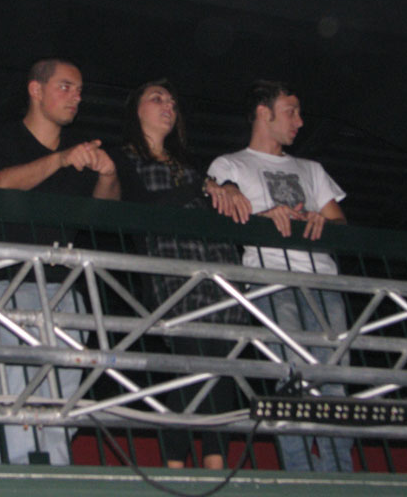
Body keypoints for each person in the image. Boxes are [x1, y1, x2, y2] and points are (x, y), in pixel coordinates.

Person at [207, 79, 353, 472]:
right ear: (263, 113)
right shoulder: (230, 164)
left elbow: (341, 225)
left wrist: (319, 220)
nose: (300, 122)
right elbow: (222, 208)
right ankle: (301, 475)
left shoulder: (311, 169)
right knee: (290, 377)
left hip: (324, 281)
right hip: (271, 281)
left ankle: (340, 474)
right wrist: (262, 218)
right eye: (291, 112)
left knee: (333, 379)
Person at [0, 58, 119, 465]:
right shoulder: (2, 136)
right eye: (65, 87)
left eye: (79, 91)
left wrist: (107, 175)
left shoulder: (81, 149)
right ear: (35, 89)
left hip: (66, 288)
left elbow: (106, 214)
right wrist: (60, 160)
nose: (75, 97)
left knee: (64, 399)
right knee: (21, 395)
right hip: (11, 281)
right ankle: (23, 478)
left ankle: (55, 475)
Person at [110, 79, 250, 469]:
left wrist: (228, 188)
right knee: (194, 362)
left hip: (218, 265)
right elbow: (141, 207)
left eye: (172, 101)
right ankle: (174, 462)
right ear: (136, 110)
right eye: (157, 98)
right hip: (171, 267)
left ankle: (214, 463)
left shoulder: (189, 164)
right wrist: (200, 188)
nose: (168, 105)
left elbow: (217, 207)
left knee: (221, 365)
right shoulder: (123, 157)